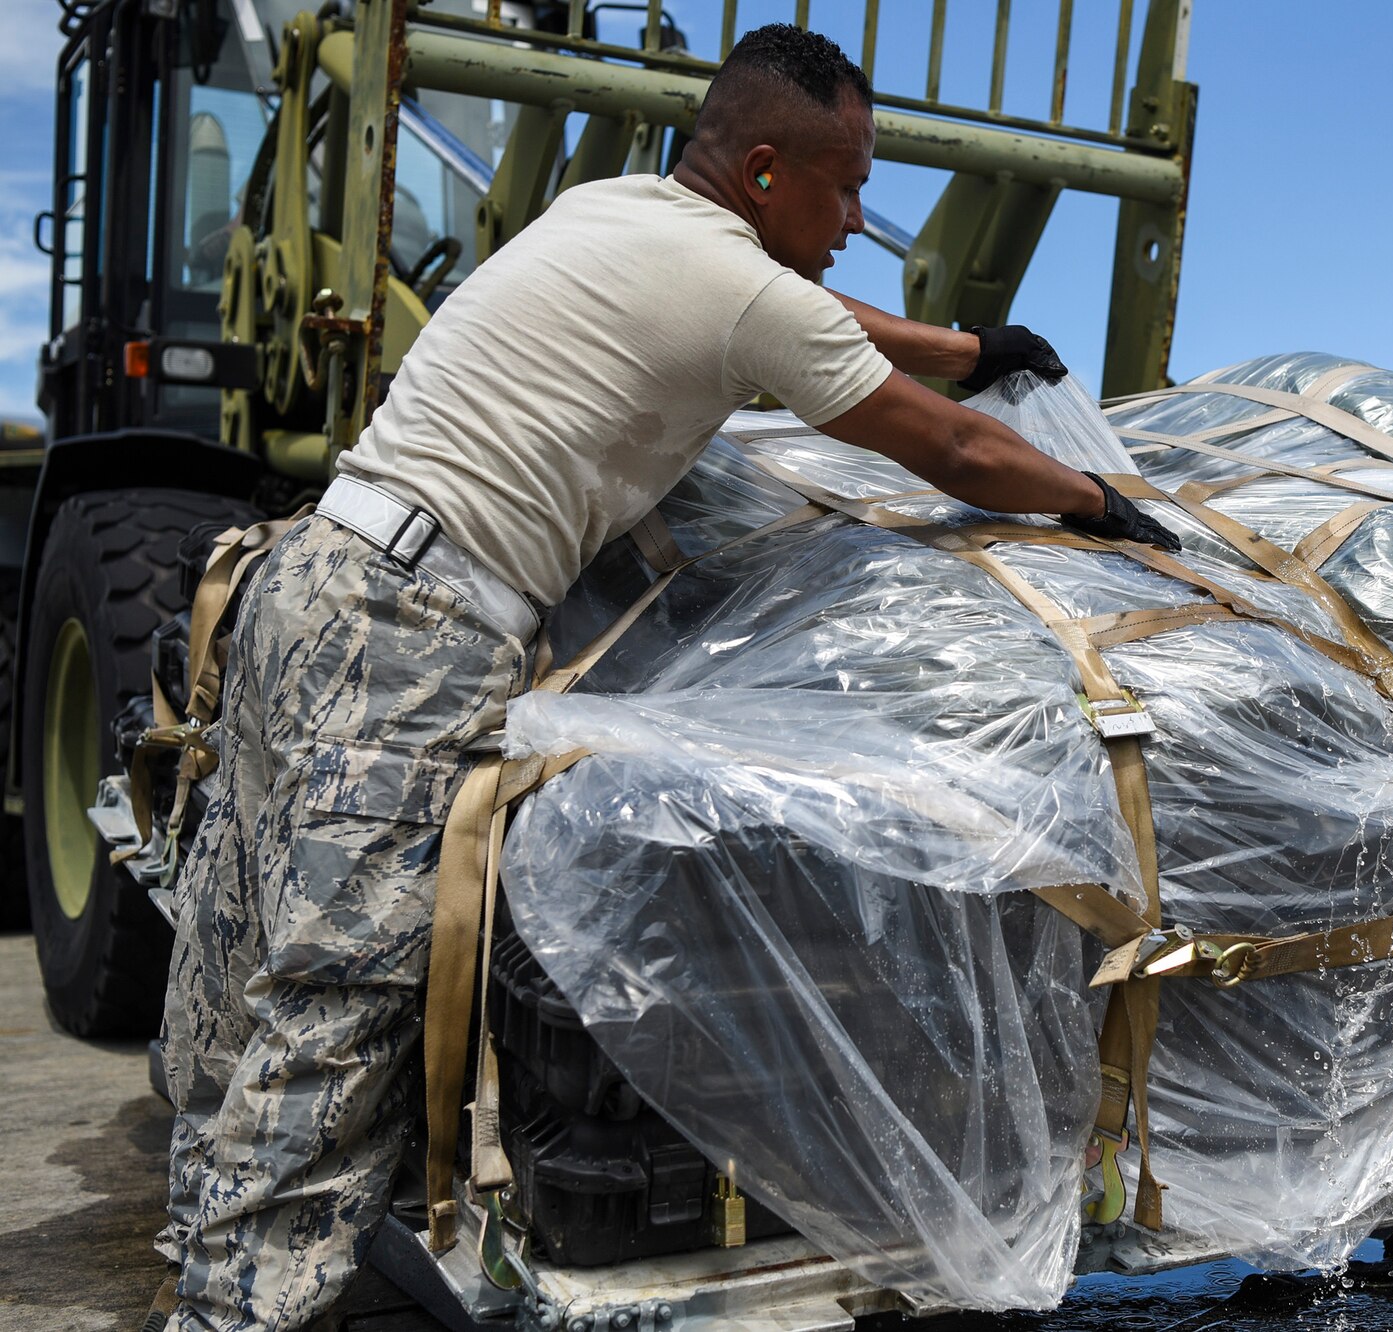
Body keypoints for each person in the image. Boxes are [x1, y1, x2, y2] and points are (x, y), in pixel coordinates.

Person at [148, 21, 1177, 1332]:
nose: (860, 216)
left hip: (315, 580)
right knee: (330, 1015)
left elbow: (819, 315)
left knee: (235, 968)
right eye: (845, 182)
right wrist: (1096, 502)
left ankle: (202, 1252)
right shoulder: (747, 294)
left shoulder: (621, 209)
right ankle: (237, 1317)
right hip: (417, 633)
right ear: (761, 171)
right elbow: (961, 462)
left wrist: (972, 347)